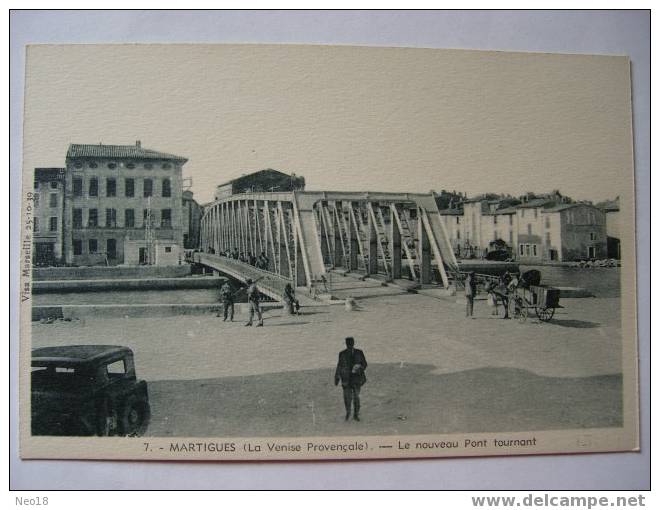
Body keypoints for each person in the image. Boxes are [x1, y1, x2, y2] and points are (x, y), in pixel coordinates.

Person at [334, 337, 368, 421]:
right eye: (348, 343)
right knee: (347, 398)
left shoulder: (359, 352)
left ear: (353, 343)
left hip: (357, 379)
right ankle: (348, 413)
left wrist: (359, 367)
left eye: (351, 343)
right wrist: (337, 377)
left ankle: (356, 415)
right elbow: (339, 366)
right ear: (346, 344)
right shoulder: (342, 354)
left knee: (356, 397)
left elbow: (364, 364)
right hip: (346, 379)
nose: (349, 345)